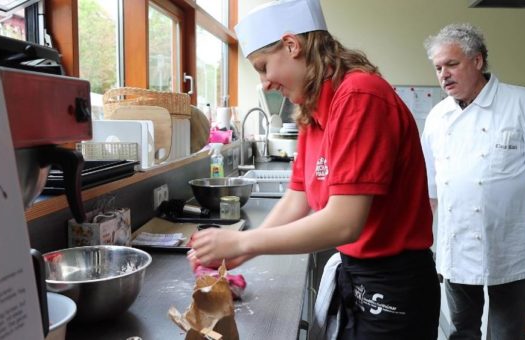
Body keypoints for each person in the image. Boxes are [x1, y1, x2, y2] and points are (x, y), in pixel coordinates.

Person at [188, 1, 440, 338]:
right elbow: (299, 197)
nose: (264, 83)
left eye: (263, 67)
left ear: (292, 45)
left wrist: (241, 242)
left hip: (394, 284)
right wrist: (242, 250)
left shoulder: (360, 96)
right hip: (358, 276)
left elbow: (344, 222)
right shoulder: (312, 110)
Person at [421, 23, 525, 340]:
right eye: (438, 68)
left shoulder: (522, 103)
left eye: (452, 64)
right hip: (456, 249)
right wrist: (423, 243)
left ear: (477, 61)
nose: (444, 75)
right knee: (460, 332)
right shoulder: (438, 116)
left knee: (506, 333)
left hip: (509, 247)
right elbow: (430, 191)